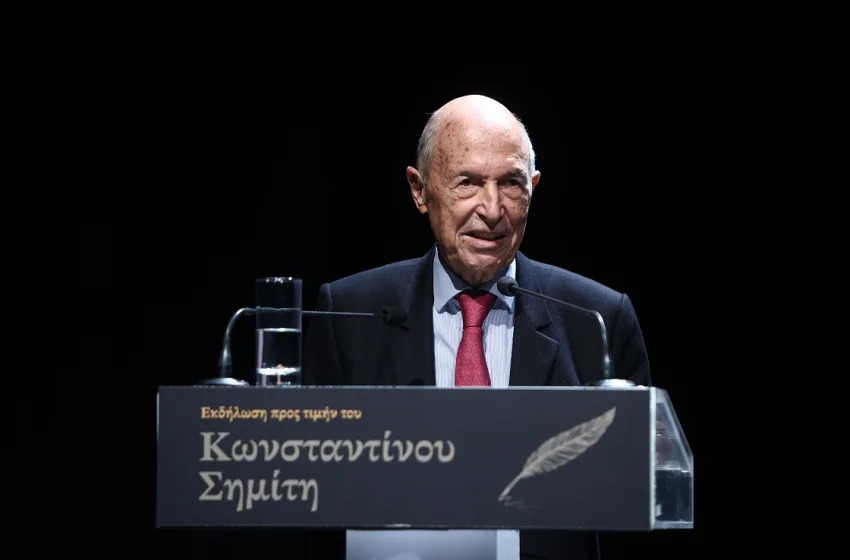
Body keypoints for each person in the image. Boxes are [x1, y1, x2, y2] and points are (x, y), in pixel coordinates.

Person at [302, 94, 652, 560]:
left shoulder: (597, 320)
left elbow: (637, 502)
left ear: (533, 188)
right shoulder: (348, 313)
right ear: (419, 190)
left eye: (510, 183)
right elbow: (313, 497)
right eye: (467, 182)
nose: (491, 209)